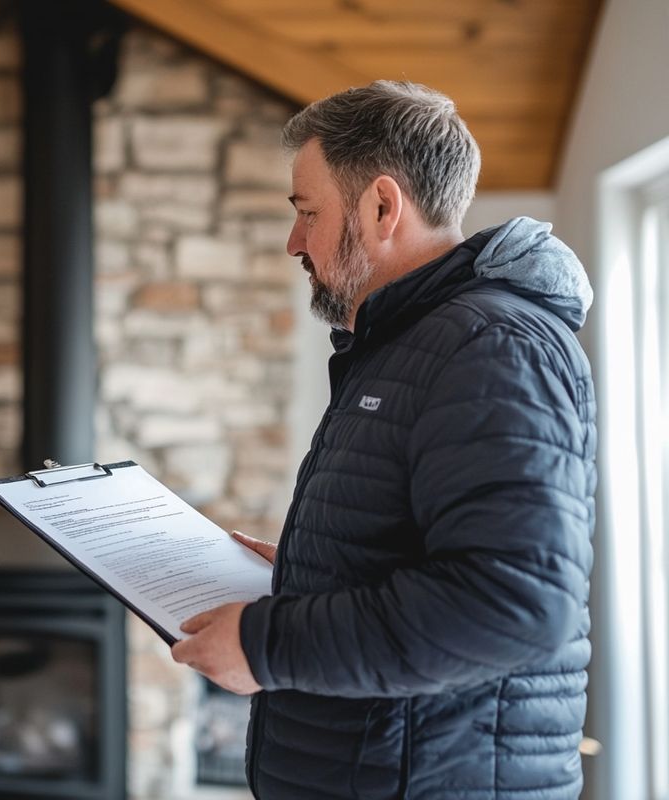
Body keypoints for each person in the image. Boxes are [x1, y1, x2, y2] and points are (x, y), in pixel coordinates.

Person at [171, 81, 596, 799]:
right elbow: (431, 548)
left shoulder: (488, 346)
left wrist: (267, 645)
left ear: (381, 206)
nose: (294, 242)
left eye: (308, 212)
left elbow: (513, 604)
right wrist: (315, 568)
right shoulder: (413, 343)